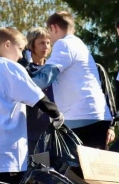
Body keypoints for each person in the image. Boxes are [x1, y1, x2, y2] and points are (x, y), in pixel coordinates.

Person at [0, 27, 63, 184]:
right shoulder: (11, 68)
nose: (21, 55)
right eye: (20, 49)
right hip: (6, 156)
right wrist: (56, 115)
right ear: (7, 44)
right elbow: (38, 98)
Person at [46, 11, 114, 149]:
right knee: (96, 167)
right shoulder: (79, 44)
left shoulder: (63, 44)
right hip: (96, 115)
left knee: (80, 168)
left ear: (53, 28)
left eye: (49, 32)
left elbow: (46, 75)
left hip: (81, 117)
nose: (50, 39)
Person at [25, 27, 54, 154]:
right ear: (31, 45)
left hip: (52, 128)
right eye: (41, 43)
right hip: (30, 129)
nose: (46, 46)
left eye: (48, 43)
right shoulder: (24, 69)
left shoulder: (53, 68)